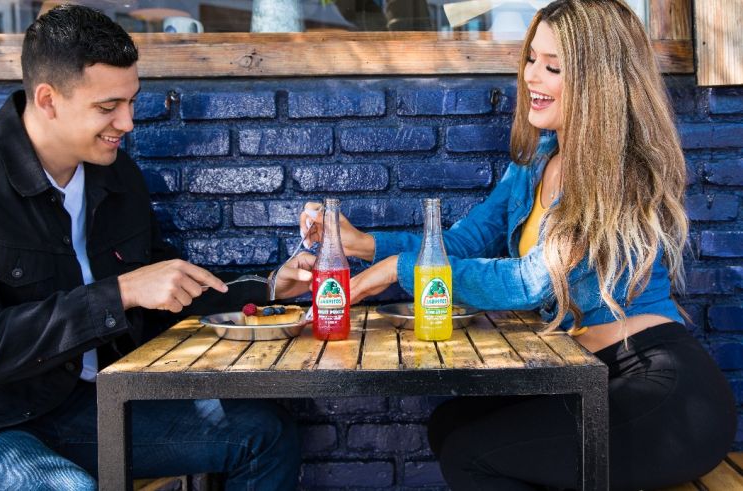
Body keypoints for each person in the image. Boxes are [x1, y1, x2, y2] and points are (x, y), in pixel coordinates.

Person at [296, 0, 736, 489]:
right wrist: (361, 245)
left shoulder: (617, 176)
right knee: (451, 424)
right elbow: (460, 242)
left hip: (660, 388)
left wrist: (399, 270)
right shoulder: (531, 168)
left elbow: (531, 281)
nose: (531, 76)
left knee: (470, 452)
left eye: (553, 66)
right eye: (531, 59)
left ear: (599, 84)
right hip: (587, 373)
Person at [0, 5, 304, 490]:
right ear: (47, 99)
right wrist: (119, 293)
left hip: (79, 406)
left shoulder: (116, 177)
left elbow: (159, 294)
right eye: (108, 107)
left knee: (263, 433)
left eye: (131, 101)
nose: (127, 123)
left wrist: (273, 287)